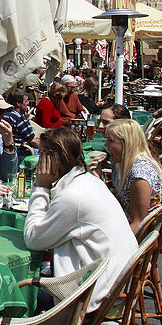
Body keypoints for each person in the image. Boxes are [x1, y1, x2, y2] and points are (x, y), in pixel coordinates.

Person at [23, 127, 138, 313]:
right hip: (115, 284)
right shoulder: (88, 181)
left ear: (56, 158)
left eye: (43, 154)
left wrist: (41, 187)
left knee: (16, 294)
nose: (39, 161)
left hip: (97, 296)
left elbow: (33, 239)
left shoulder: (74, 196)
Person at [105, 119, 162, 233]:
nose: (106, 145)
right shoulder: (135, 164)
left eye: (110, 141)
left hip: (132, 236)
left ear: (126, 143)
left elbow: (139, 223)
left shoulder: (139, 177)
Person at [3, 92, 38, 156]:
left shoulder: (6, 115)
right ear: (18, 104)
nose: (28, 103)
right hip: (23, 151)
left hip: (12, 149)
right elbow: (33, 141)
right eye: (26, 101)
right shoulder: (18, 118)